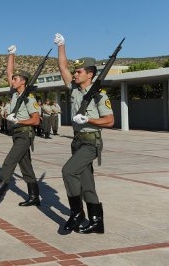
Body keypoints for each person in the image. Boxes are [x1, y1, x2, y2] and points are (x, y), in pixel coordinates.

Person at [54, 32, 114, 234]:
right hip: (78, 142)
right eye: (75, 72)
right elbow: (62, 67)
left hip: (91, 143)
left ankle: (77, 212)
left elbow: (110, 120)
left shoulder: (99, 96)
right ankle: (97, 222)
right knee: (87, 183)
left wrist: (89, 119)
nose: (75, 74)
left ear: (90, 74)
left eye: (79, 71)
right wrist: (62, 45)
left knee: (68, 171)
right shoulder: (74, 90)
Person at [0, 45, 41, 206]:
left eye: (15, 79)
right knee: (26, 166)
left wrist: (19, 121)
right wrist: (11, 54)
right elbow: (9, 72)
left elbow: (36, 120)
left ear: (23, 81)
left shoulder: (29, 98)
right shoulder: (15, 94)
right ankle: (34, 197)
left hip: (25, 133)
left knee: (9, 162)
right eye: (13, 78)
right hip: (17, 134)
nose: (12, 80)